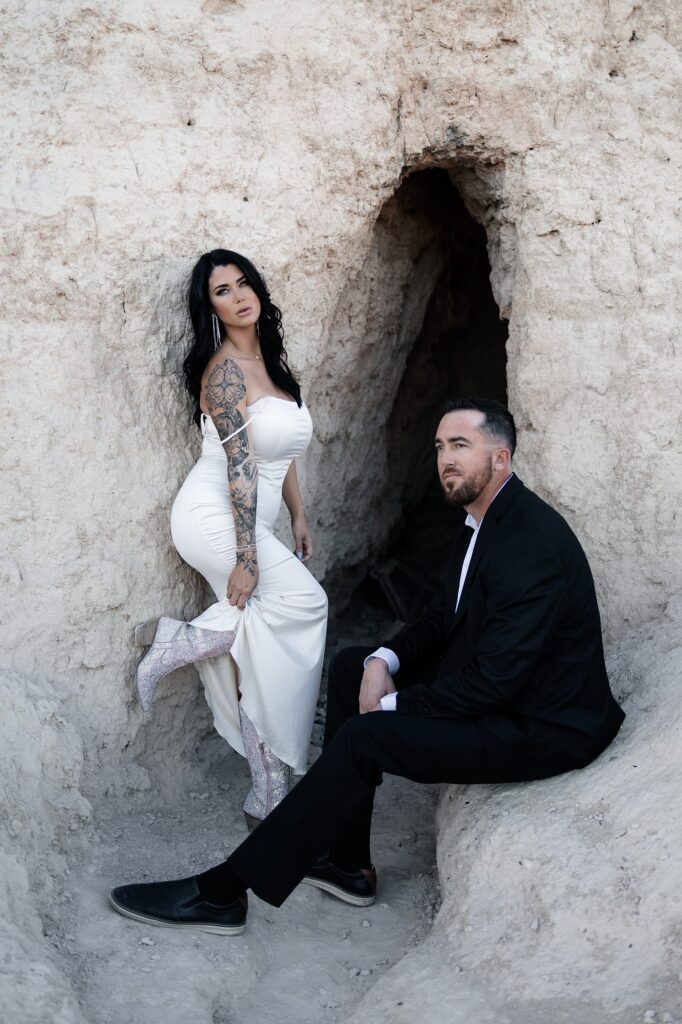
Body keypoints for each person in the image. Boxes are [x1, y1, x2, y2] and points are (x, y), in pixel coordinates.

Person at [111, 396, 624, 934]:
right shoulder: (481, 522)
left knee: (366, 736)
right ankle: (346, 862)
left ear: (501, 458)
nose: (446, 458)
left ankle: (221, 894)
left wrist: (392, 705)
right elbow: (438, 620)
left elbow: (494, 684)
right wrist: (382, 661)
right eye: (441, 446)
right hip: (506, 696)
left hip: (541, 727)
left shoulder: (530, 544)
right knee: (352, 666)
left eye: (461, 446)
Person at [134, 249, 328, 829]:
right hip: (212, 516)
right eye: (224, 290)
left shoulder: (273, 364)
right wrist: (247, 555)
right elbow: (240, 468)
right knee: (304, 601)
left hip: (253, 521)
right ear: (210, 306)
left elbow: (282, 452)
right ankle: (183, 643)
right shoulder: (222, 373)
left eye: (245, 283)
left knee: (260, 642)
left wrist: (297, 515)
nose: (240, 295)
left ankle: (268, 792)